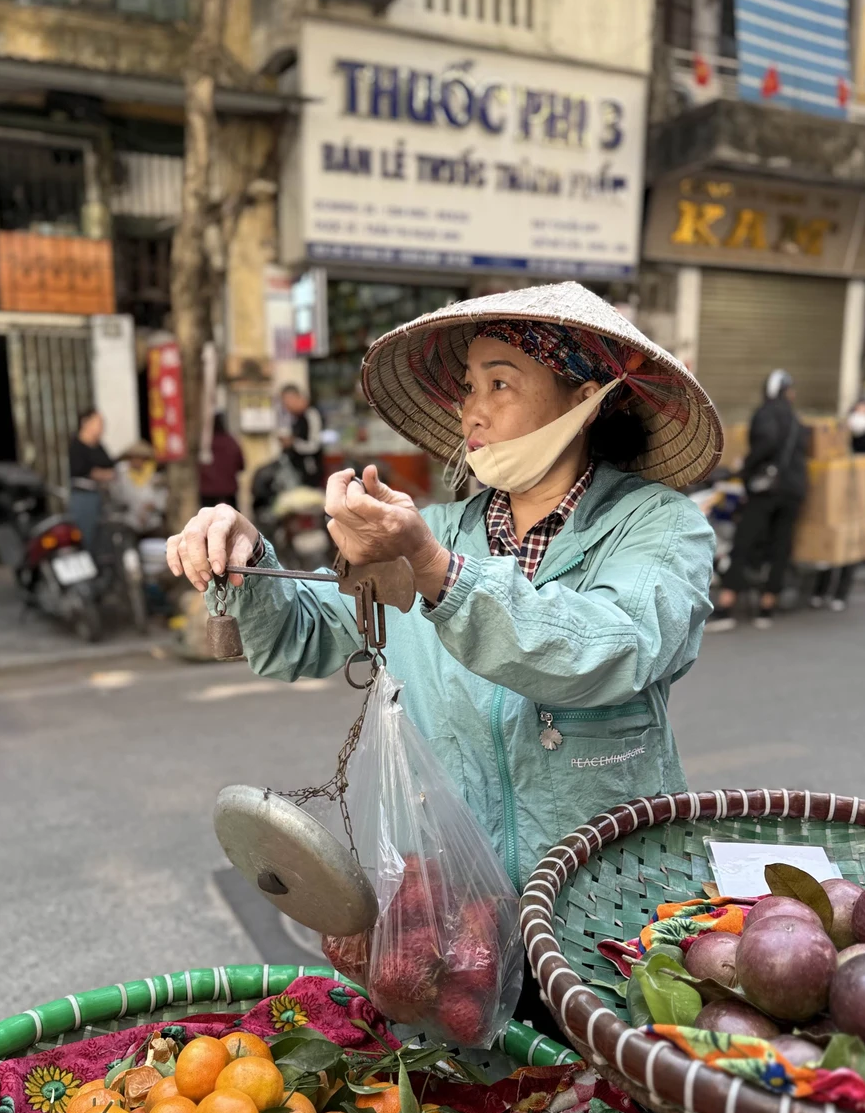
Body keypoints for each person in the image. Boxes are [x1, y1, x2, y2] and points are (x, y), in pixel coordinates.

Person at [167, 284, 721, 1030]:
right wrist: (244, 555)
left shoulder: (658, 528)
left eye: (501, 383)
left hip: (610, 917)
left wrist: (437, 574)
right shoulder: (431, 531)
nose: (473, 410)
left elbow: (614, 647)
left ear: (583, 399)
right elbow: (301, 636)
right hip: (460, 924)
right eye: (468, 387)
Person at [707, 369, 809, 632]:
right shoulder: (798, 421)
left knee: (744, 543)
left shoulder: (766, 413)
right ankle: (766, 607)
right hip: (794, 492)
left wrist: (744, 469)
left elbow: (766, 443)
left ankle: (727, 606)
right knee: (780, 547)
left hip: (767, 491)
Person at [811, 399, 865, 612]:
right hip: (836, 499)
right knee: (828, 546)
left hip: (859, 501)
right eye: (858, 412)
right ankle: (820, 590)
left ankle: (840, 593)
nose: (861, 417)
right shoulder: (840, 437)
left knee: (849, 548)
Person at [68, 408, 115, 549]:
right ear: (85, 422)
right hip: (83, 498)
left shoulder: (99, 446)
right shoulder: (77, 446)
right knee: (86, 536)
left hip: (101, 496)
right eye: (98, 422)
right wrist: (101, 474)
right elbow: (83, 470)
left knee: (102, 537)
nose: (102, 426)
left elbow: (110, 466)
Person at [113, 439, 167, 535]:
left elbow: (162, 501)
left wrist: (150, 507)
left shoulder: (155, 477)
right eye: (132, 458)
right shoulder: (123, 476)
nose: (135, 461)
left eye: (139, 458)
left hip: (152, 523)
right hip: (130, 523)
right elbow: (118, 497)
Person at [280, 385, 325, 487]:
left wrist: (293, 443)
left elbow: (314, 445)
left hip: (310, 471)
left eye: (288, 401)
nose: (286, 406)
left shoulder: (311, 415)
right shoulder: (295, 418)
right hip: (297, 472)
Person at [200, 414, 245, 510]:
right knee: (233, 520)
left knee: (208, 521)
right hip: (228, 491)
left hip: (208, 492)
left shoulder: (205, 444)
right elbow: (241, 465)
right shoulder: (231, 442)